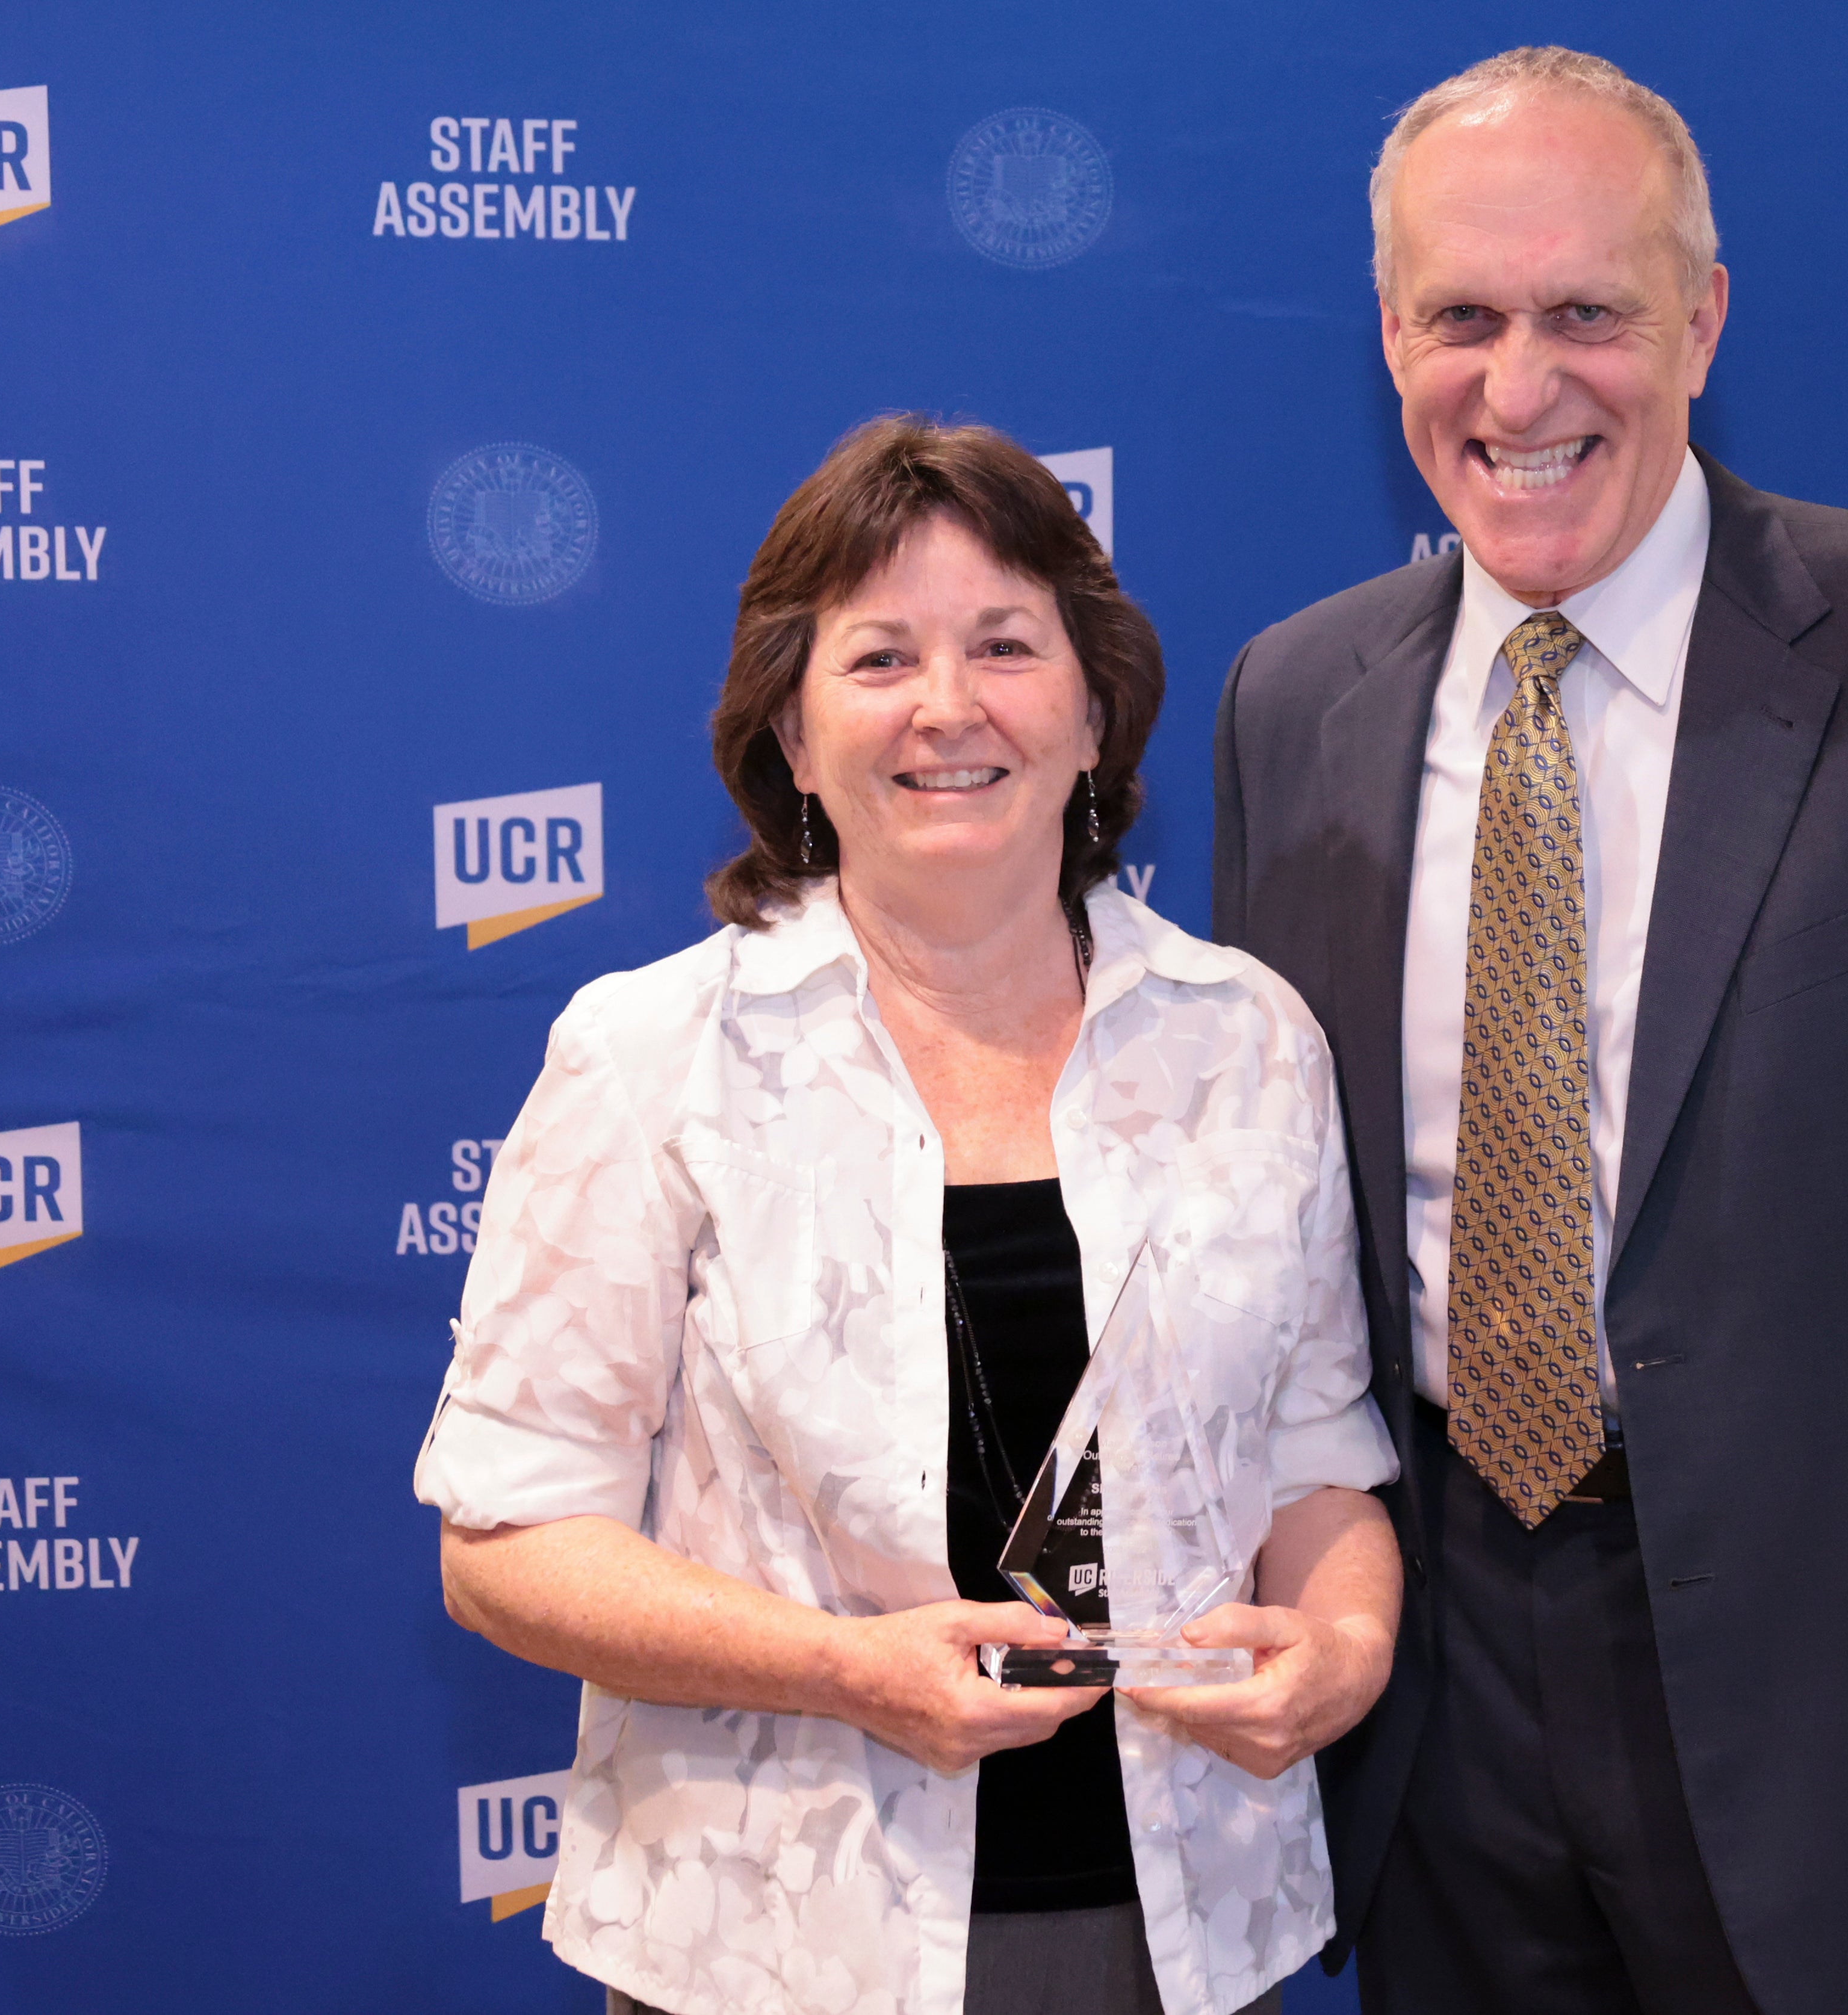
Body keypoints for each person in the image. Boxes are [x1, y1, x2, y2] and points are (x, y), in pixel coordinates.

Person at [1211, 48, 1848, 2015]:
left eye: (1587, 311)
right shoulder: (1293, 699)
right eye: (1462, 319)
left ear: (1704, 319)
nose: (1520, 389)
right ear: (1390, 332)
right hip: (1438, 1702)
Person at [417, 416, 1401, 2015]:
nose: (949, 706)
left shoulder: (1251, 1043)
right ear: (793, 742)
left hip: (1177, 1940)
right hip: (771, 1949)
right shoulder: (653, 1055)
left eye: (1006, 644)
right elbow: (507, 1542)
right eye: (880, 658)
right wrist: (843, 1672)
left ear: (1093, 712)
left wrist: (1345, 1651)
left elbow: (1317, 1459)